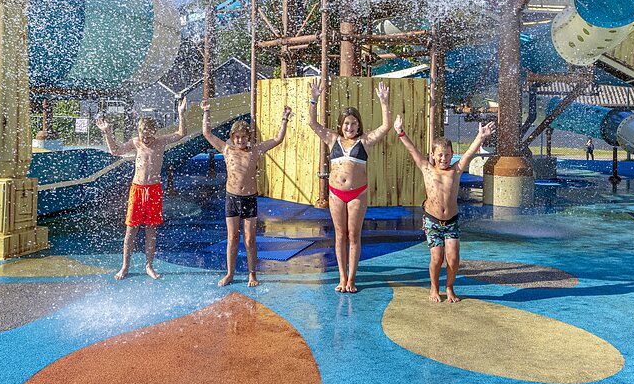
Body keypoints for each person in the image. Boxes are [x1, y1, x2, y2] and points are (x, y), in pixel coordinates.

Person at [305, 79, 395, 293]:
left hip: (357, 194)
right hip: (336, 194)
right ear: (341, 124)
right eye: (346, 123)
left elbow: (386, 126)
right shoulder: (332, 139)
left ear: (359, 125)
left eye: (353, 123)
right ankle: (342, 277)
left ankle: (352, 279)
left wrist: (384, 102)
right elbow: (311, 123)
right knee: (339, 235)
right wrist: (314, 99)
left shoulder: (364, 142)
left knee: (354, 235)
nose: (349, 127)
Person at [394, 114, 495, 303]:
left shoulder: (455, 171)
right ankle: (434, 286)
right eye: (440, 155)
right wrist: (400, 132)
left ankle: (449, 287)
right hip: (432, 221)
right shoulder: (427, 169)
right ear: (433, 155)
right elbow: (412, 150)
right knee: (437, 258)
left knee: (454, 258)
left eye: (448, 155)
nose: (444, 158)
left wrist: (480, 137)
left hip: (452, 221)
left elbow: (468, 155)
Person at [96, 96, 189, 280]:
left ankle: (149, 266)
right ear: (139, 133)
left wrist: (181, 113)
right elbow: (115, 151)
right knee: (131, 229)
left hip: (154, 190)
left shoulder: (160, 141)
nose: (146, 139)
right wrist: (107, 133)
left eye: (150, 135)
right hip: (137, 189)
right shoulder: (135, 142)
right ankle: (125, 266)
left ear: (155, 132)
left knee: (151, 231)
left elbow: (181, 133)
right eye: (143, 135)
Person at [201, 101, 290, 287]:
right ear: (232, 137)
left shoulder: (255, 150)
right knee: (232, 238)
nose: (240, 140)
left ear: (249, 137)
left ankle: (252, 274)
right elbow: (207, 133)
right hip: (231, 198)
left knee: (249, 240)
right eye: (237, 137)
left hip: (249, 199)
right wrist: (207, 112)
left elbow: (277, 139)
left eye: (244, 137)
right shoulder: (227, 150)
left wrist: (284, 119)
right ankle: (230, 273)